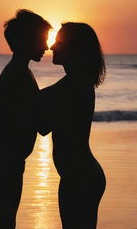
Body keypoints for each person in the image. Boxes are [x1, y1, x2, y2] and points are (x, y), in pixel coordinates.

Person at [0, 9, 51, 229]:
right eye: (42, 40)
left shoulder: (20, 72)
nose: (46, 47)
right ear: (24, 41)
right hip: (6, 159)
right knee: (5, 221)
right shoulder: (17, 75)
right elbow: (35, 121)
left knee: (4, 219)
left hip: (6, 157)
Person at [38, 22, 106, 228]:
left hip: (79, 178)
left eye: (58, 42)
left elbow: (42, 125)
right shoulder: (77, 83)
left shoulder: (72, 86)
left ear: (74, 48)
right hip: (81, 175)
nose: (51, 47)